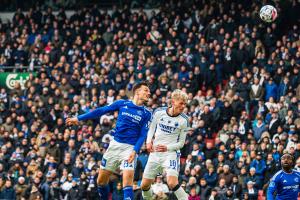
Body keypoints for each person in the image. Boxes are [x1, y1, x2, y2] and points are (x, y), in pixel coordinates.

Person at [66, 82, 151, 200]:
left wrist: (135, 151)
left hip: (130, 149)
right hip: (114, 146)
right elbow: (101, 110)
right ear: (137, 92)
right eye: (146, 90)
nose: (149, 93)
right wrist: (79, 118)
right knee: (100, 181)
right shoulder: (122, 103)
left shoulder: (147, 113)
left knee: (127, 182)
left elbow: (143, 135)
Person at [141, 89, 190, 200]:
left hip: (170, 154)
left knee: (172, 183)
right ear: (173, 102)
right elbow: (151, 128)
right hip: (155, 153)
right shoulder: (159, 112)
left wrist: (167, 147)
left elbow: (181, 144)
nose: (183, 106)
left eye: (185, 104)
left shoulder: (184, 120)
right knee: (144, 185)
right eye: (181, 103)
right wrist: (148, 141)